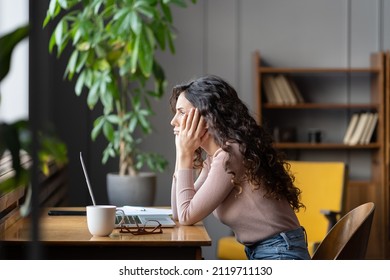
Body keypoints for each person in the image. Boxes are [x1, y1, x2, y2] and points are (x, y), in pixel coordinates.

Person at [169, 74, 310, 260]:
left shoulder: (230, 154)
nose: (174, 121)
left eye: (181, 112)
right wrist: (181, 155)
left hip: (281, 254)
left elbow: (187, 215)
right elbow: (179, 212)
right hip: (268, 252)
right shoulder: (215, 158)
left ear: (206, 116)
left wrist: (186, 154)